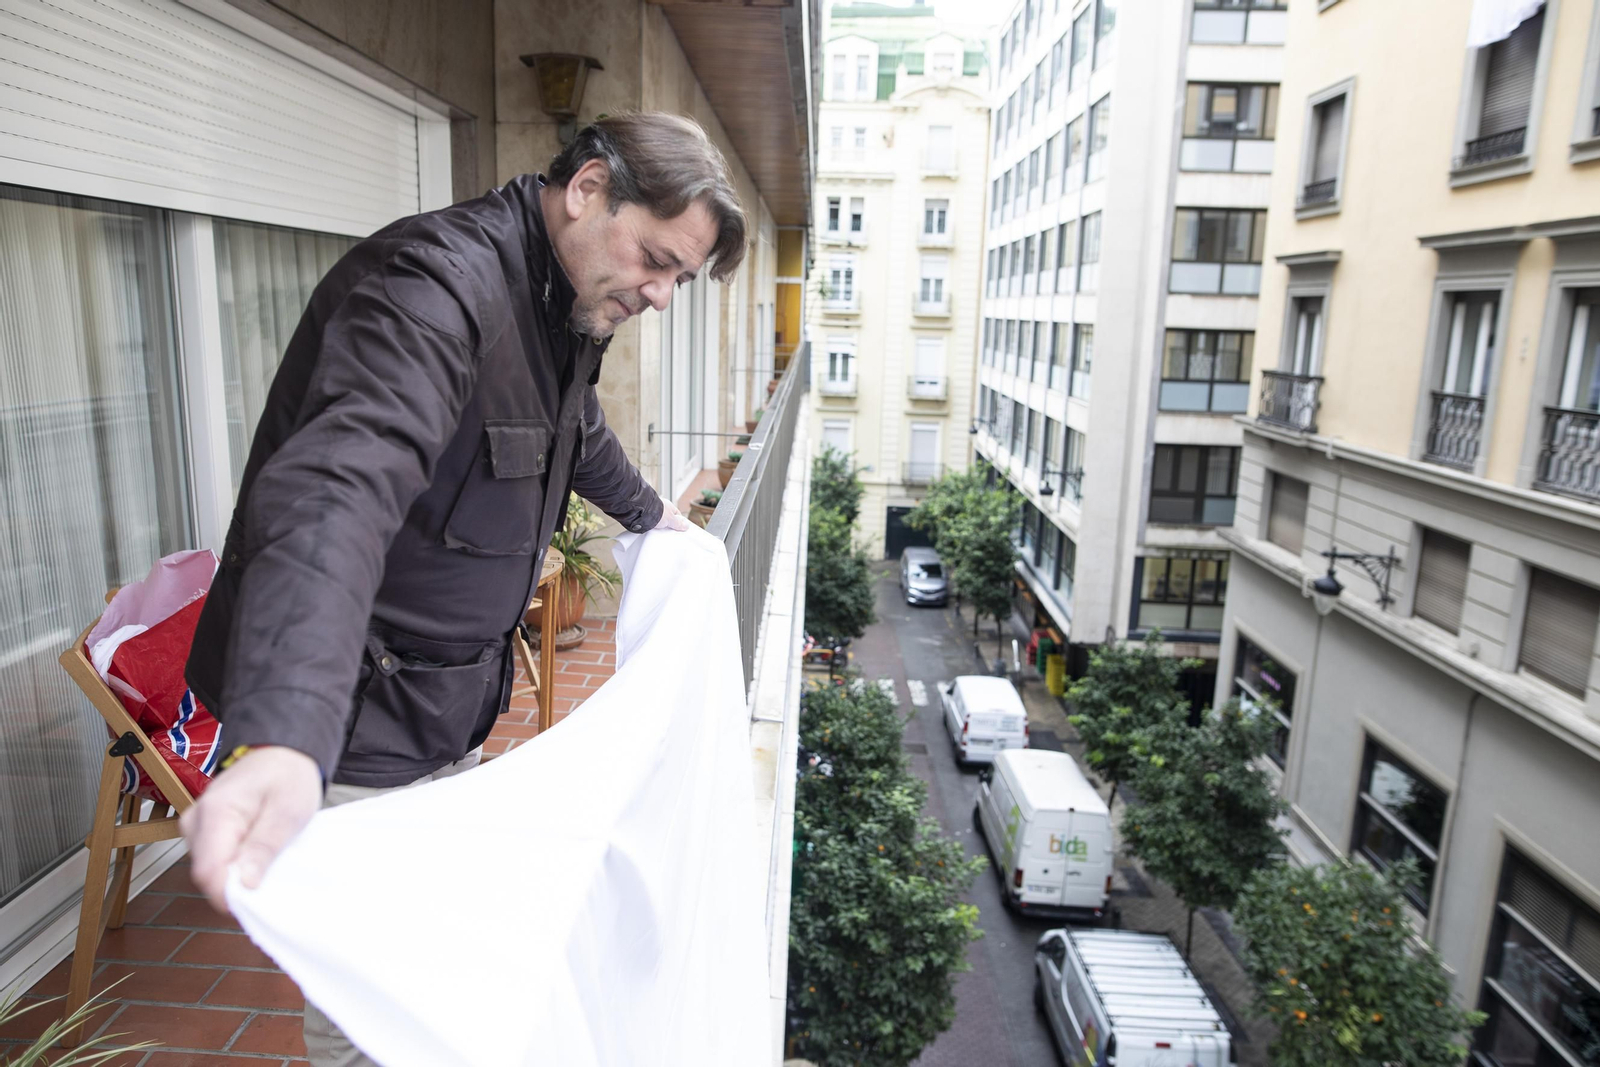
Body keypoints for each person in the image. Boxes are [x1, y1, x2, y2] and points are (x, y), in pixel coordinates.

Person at [179, 112, 746, 1066]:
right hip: (352, 723)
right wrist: (288, 734)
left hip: (445, 712)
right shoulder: (433, 290)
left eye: (677, 280)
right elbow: (335, 494)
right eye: (656, 260)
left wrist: (656, 518)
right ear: (590, 188)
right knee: (380, 1018)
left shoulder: (565, 297)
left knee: (445, 982)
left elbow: (575, 431)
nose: (658, 294)